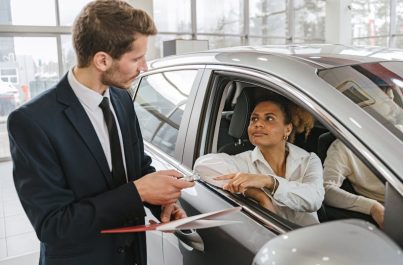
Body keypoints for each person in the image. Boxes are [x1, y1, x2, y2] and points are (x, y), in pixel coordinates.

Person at [7, 1, 194, 265]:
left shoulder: (121, 98)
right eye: (136, 58)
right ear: (102, 60)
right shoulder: (32, 122)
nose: (145, 67)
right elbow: (53, 226)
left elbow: (137, 167)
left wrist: (160, 201)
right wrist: (138, 193)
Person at [323, 86, 403, 229]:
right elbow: (327, 190)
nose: (394, 106)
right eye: (387, 101)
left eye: (392, 99)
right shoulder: (342, 148)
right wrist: (373, 207)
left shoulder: (401, 132)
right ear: (367, 104)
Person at [194, 95, 324, 226]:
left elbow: (314, 199)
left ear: (287, 129)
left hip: (311, 239)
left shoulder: (309, 160)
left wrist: (269, 181)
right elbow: (202, 165)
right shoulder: (242, 161)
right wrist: (259, 195)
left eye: (269, 118)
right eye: (254, 119)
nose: (258, 124)